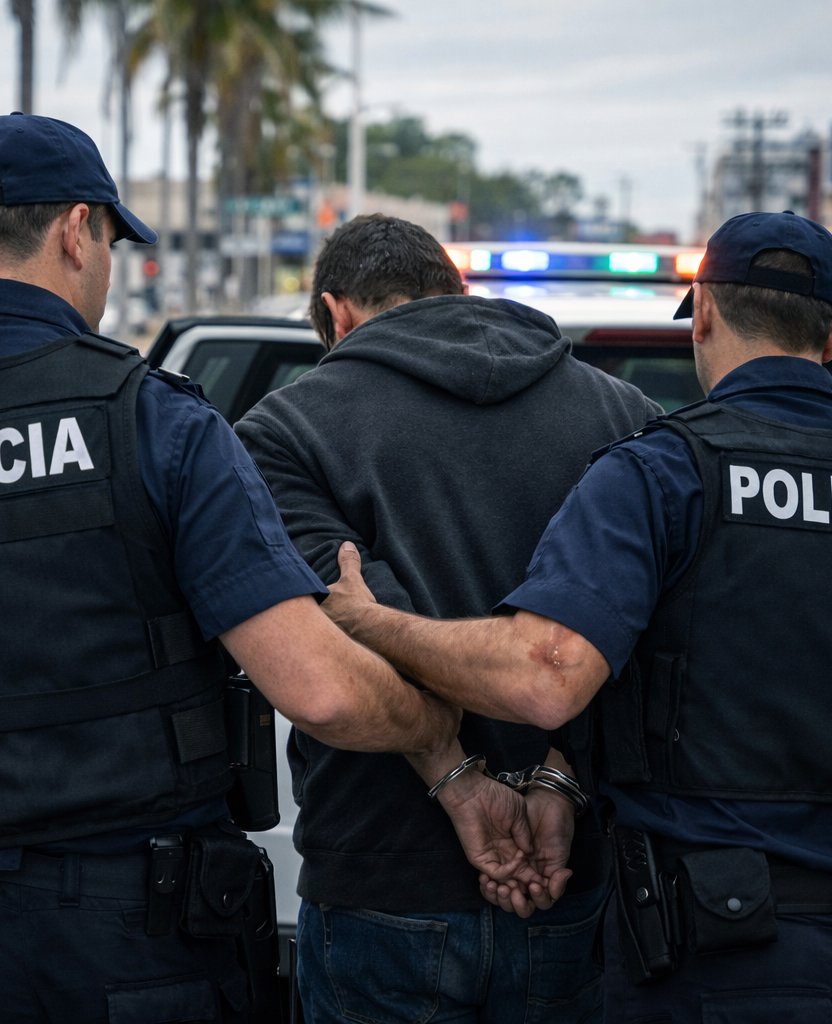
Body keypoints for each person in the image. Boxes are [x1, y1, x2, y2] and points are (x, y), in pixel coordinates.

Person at [0, 114, 460, 1023]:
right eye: (107, 242)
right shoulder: (157, 422)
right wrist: (441, 735)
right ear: (74, 231)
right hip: (150, 944)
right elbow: (321, 693)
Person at [316, 211, 832, 1022]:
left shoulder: (662, 474)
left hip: (720, 948)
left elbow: (547, 678)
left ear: (706, 313)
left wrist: (372, 622)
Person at [235, 214, 659, 1021]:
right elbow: (643, 632)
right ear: (453, 290)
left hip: (378, 870)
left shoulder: (283, 431)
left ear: (336, 313)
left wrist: (459, 780)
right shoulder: (624, 413)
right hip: (574, 869)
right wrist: (562, 776)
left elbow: (348, 630)